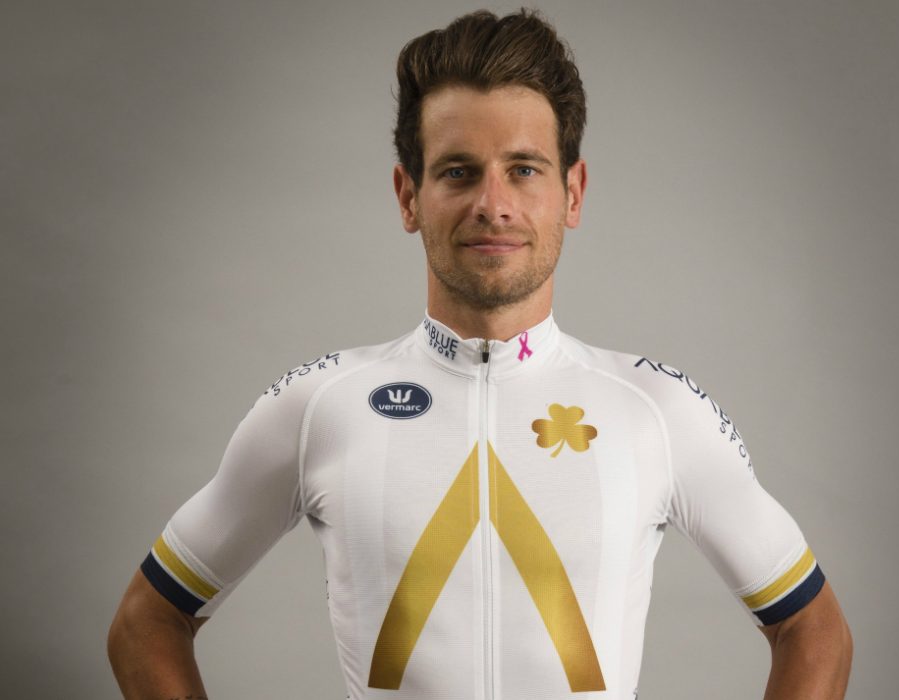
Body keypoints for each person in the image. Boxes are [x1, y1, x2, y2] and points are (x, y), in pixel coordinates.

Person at [108, 9, 852, 699]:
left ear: (573, 192)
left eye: (524, 169)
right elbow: (145, 623)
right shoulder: (317, 408)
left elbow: (815, 632)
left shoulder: (656, 411)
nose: (492, 204)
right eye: (458, 171)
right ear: (408, 196)